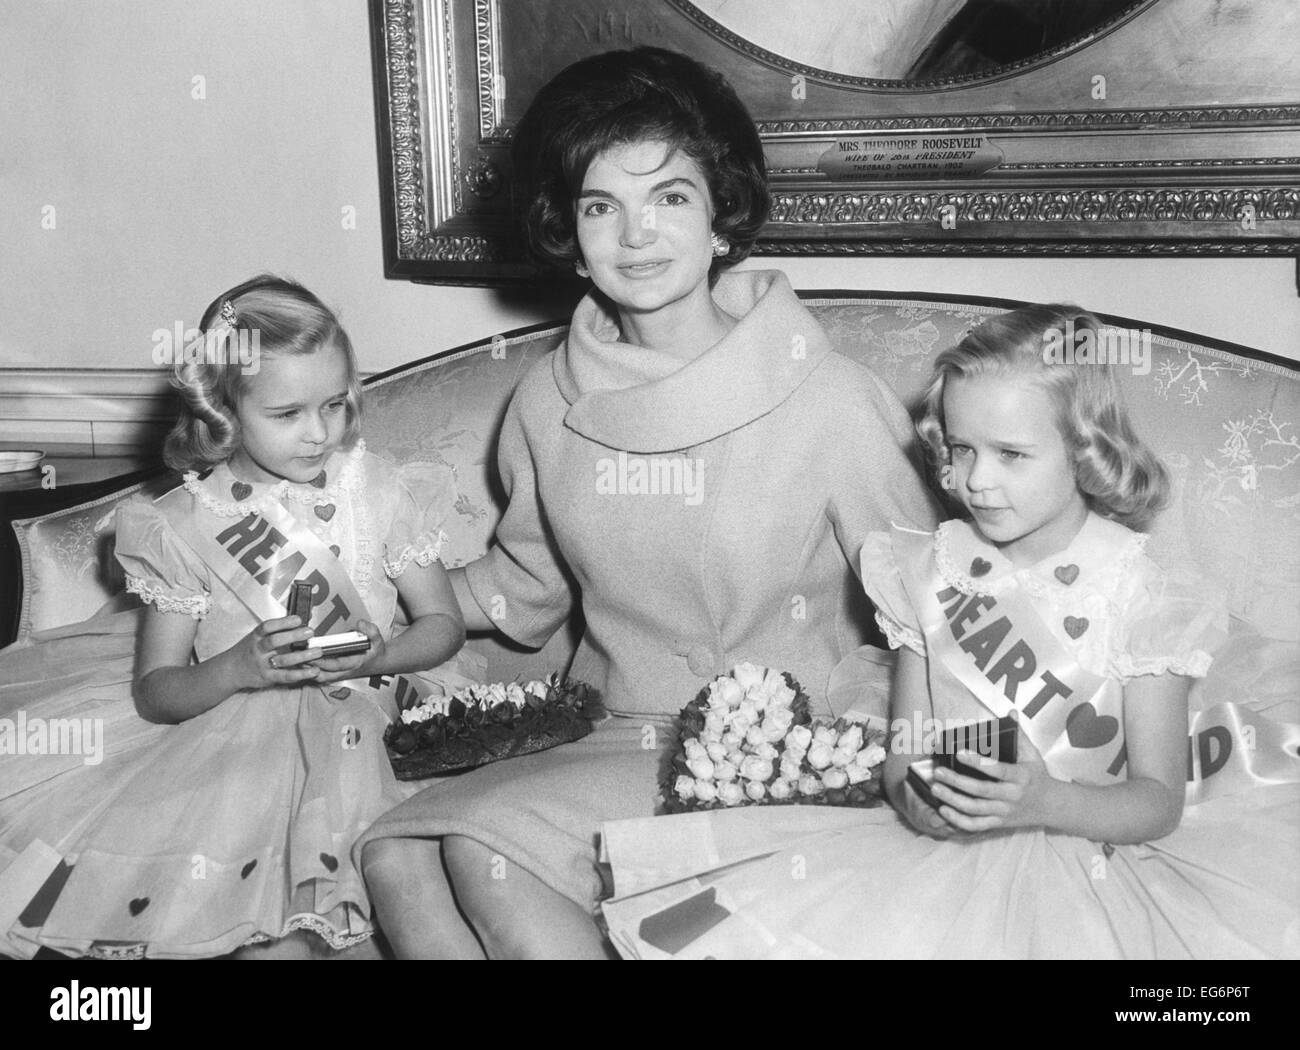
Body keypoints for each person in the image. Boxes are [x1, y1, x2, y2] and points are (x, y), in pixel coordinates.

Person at [356, 46, 937, 959]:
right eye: (601, 206)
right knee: (395, 858)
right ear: (570, 235)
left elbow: (930, 603)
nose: (636, 236)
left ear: (719, 217)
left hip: (780, 741)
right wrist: (361, 580)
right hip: (620, 729)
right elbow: (522, 586)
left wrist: (897, 739)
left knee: (476, 847)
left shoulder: (827, 397)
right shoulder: (548, 400)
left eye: (669, 196)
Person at [600, 304, 1300, 959]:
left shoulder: (1147, 601)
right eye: (961, 450)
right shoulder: (927, 572)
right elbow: (907, 751)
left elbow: (1156, 802)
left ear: (1086, 451)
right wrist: (920, 806)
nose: (977, 481)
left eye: (1011, 455)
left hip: (1098, 854)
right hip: (944, 857)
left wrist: (1043, 800)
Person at [0, 276, 478, 958]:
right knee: (263, 931)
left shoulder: (383, 488)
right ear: (224, 410)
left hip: (382, 717)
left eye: (336, 405)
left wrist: (380, 656)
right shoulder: (183, 525)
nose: (320, 433)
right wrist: (239, 667)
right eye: (288, 414)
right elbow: (158, 691)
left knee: (398, 901)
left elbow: (443, 626)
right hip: (233, 747)